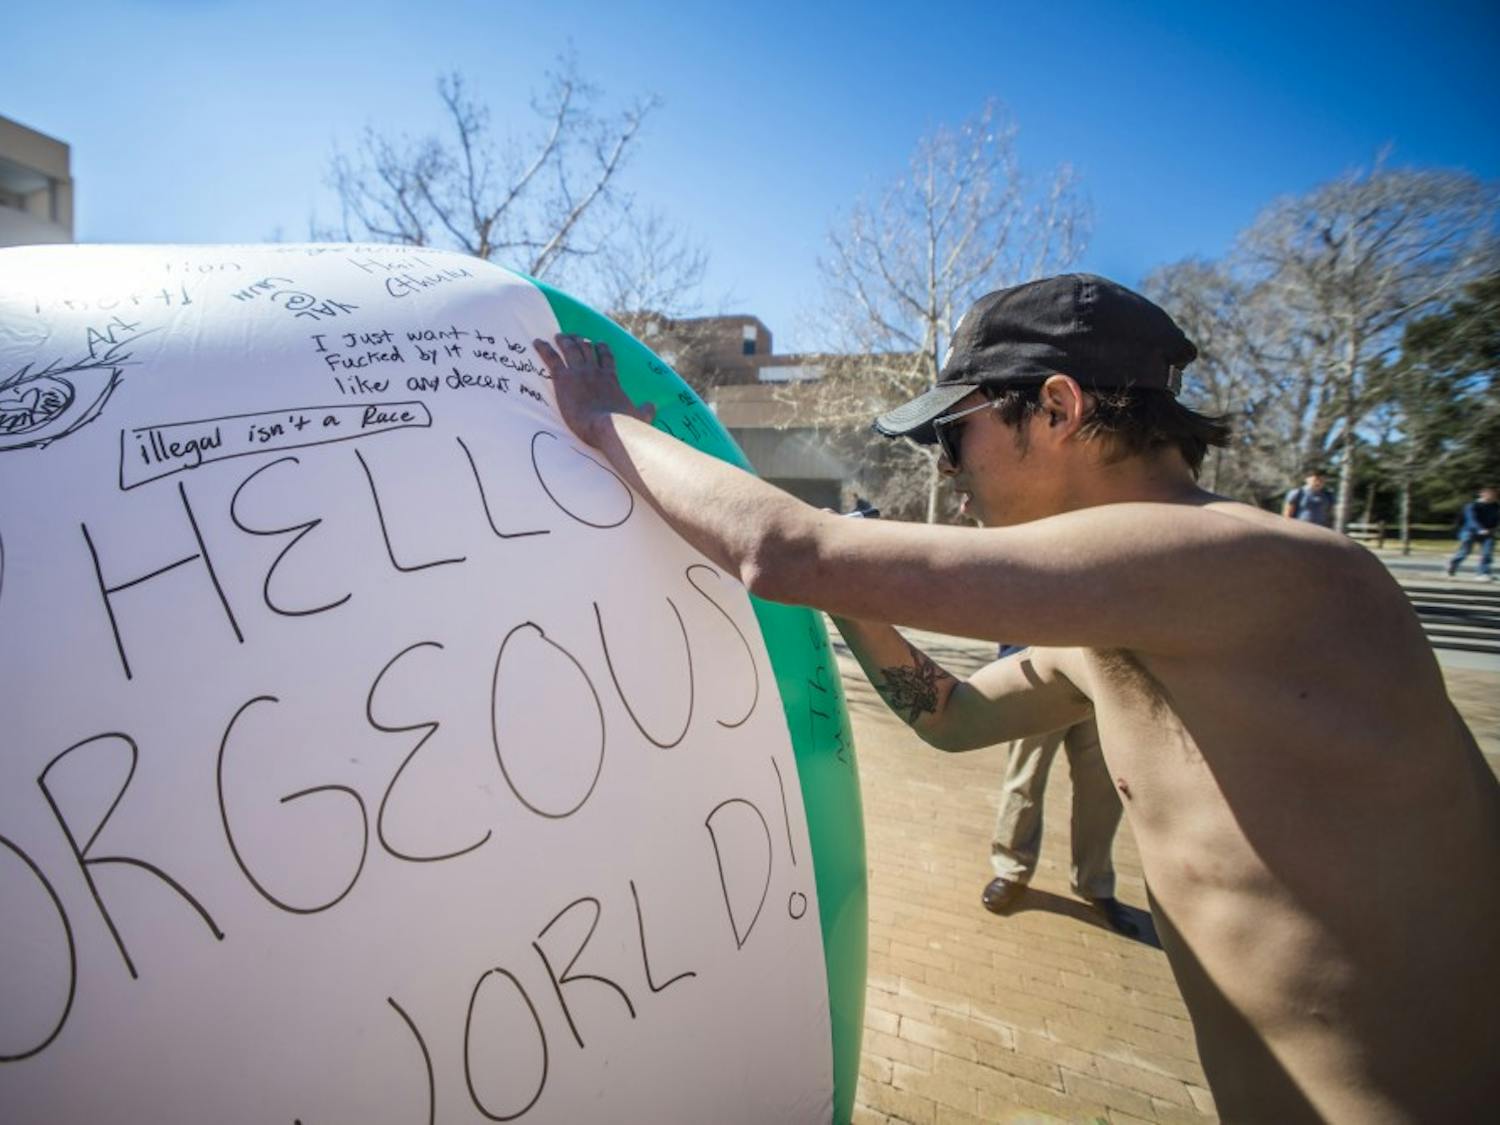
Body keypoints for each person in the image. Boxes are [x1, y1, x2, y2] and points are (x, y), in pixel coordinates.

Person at [533, 273, 1499, 1121]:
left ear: (1059, 406)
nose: (947, 472)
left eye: (957, 436)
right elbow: (952, 716)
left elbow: (786, 548)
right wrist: (853, 599)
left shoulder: (1262, 565)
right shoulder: (1129, 619)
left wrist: (604, 420)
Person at [984, 714, 1135, 938]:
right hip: (1045, 685)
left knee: (1102, 793)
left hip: (1105, 692)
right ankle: (1011, 869)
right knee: (1025, 776)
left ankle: (1095, 883)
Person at [1447, 486, 1498, 581]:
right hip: (1469, 531)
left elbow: (1496, 519)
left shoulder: (1495, 506)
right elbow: (1471, 519)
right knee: (1465, 551)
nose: (1493, 496)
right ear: (1483, 494)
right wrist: (1480, 529)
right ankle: (1453, 563)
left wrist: (1493, 529)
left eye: (1494, 494)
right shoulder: (1472, 505)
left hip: (1488, 533)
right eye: (1490, 494)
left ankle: (1483, 573)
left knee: (1487, 553)